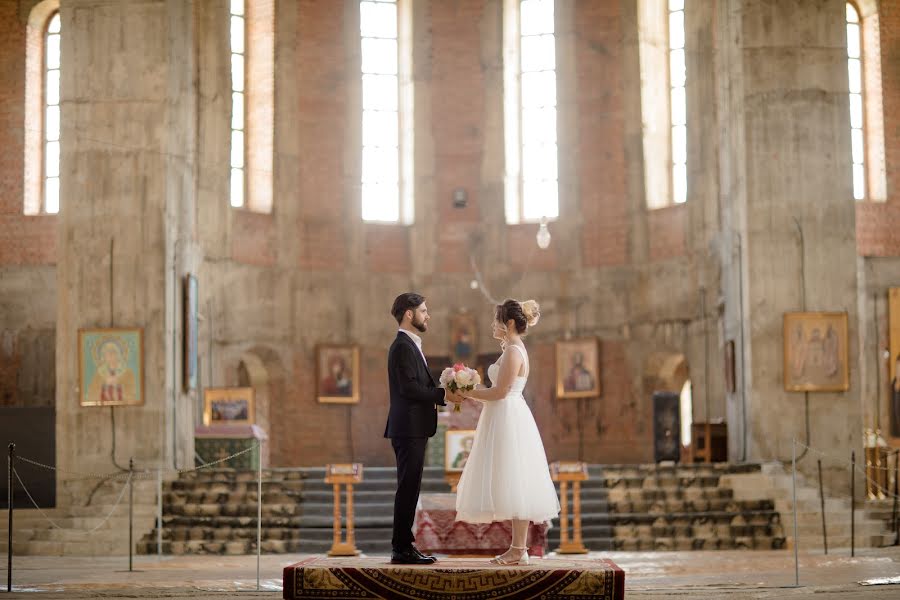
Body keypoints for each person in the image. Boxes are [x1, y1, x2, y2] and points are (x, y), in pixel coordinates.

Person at [455, 299, 560, 565]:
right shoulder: (511, 349)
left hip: (508, 415)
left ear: (509, 323)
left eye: (496, 319)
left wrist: (465, 392)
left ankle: (518, 549)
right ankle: (518, 549)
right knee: (513, 479)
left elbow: (500, 392)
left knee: (517, 479)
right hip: (503, 414)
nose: (493, 324)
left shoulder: (514, 351)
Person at [384, 292, 463, 565]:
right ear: (409, 313)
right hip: (408, 427)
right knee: (407, 488)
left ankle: (405, 546)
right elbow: (408, 388)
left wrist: (446, 390)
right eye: (424, 310)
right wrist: (443, 395)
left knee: (410, 487)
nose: (428, 315)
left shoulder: (411, 344)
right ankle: (401, 549)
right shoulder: (403, 346)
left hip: (413, 427)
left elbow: (417, 386)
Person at [87, 339, 137, 405]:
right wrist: (104, 384)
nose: (110, 357)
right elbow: (92, 395)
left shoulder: (127, 372)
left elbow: (132, 393)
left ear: (118, 355)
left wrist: (118, 385)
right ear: (103, 357)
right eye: (107, 355)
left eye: (113, 354)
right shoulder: (99, 374)